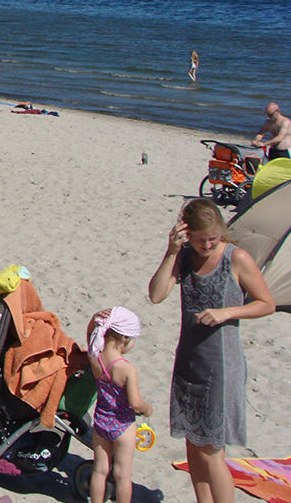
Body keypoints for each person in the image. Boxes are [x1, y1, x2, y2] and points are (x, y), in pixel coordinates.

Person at [148, 198, 274, 503]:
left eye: (213, 239)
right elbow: (156, 294)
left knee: (212, 450)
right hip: (189, 364)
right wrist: (172, 252)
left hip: (221, 366)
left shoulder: (236, 258)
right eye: (200, 239)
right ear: (186, 234)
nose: (206, 245)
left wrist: (227, 312)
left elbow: (266, 303)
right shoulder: (185, 255)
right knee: (193, 447)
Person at [85, 306, 152, 503]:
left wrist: (94, 319)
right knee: (123, 475)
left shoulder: (95, 356)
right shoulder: (126, 369)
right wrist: (147, 408)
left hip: (101, 422)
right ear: (124, 340)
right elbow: (135, 402)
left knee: (99, 470)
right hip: (122, 426)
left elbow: (90, 334)